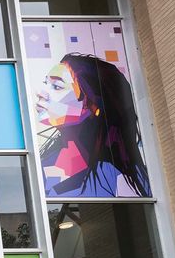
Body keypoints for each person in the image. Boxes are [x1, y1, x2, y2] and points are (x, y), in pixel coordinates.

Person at [36, 53, 151, 198]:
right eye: (45, 83)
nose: (41, 93)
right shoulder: (41, 163)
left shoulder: (117, 180)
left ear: (92, 106)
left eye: (57, 86)